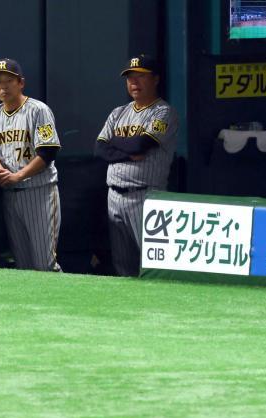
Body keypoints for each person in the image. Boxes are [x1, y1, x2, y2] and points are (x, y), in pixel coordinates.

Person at [94, 54, 179, 276]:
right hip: (114, 196)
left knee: (154, 265)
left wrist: (119, 144)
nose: (134, 82)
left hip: (146, 196)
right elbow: (100, 148)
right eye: (130, 77)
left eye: (141, 76)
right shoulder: (118, 112)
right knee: (123, 266)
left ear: (156, 79)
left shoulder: (163, 111)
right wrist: (129, 153)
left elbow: (142, 143)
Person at [0, 58, 62, 271]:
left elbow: (48, 151)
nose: (3, 86)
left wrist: (19, 175)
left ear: (21, 83)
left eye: (9, 81)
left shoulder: (38, 110)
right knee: (22, 267)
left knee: (44, 264)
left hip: (39, 192)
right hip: (9, 195)